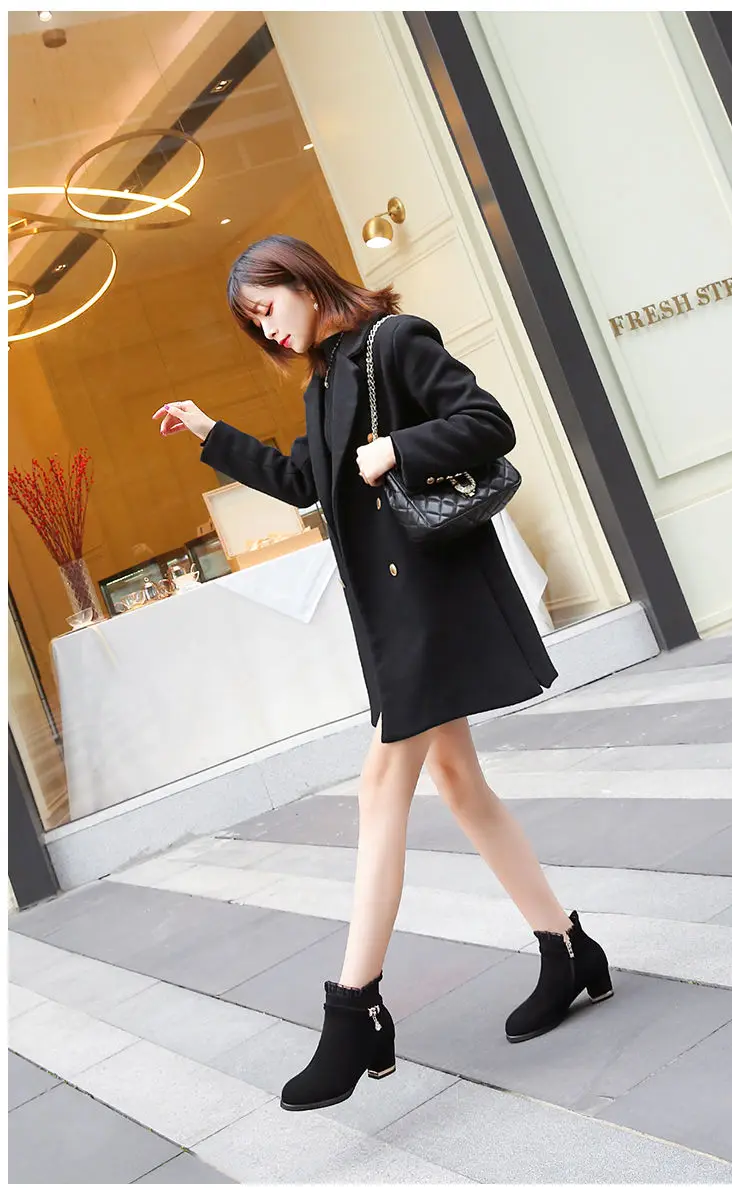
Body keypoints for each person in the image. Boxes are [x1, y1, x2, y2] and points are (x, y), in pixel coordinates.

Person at [152, 235, 613, 1114]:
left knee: (378, 789)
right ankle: (568, 949)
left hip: (432, 612)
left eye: (267, 307)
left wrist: (399, 446)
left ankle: (356, 1006)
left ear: (302, 280)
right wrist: (211, 431)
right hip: (396, 624)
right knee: (461, 786)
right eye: (254, 323)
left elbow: (489, 423)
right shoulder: (325, 381)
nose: (268, 329)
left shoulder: (393, 343)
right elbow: (303, 480)